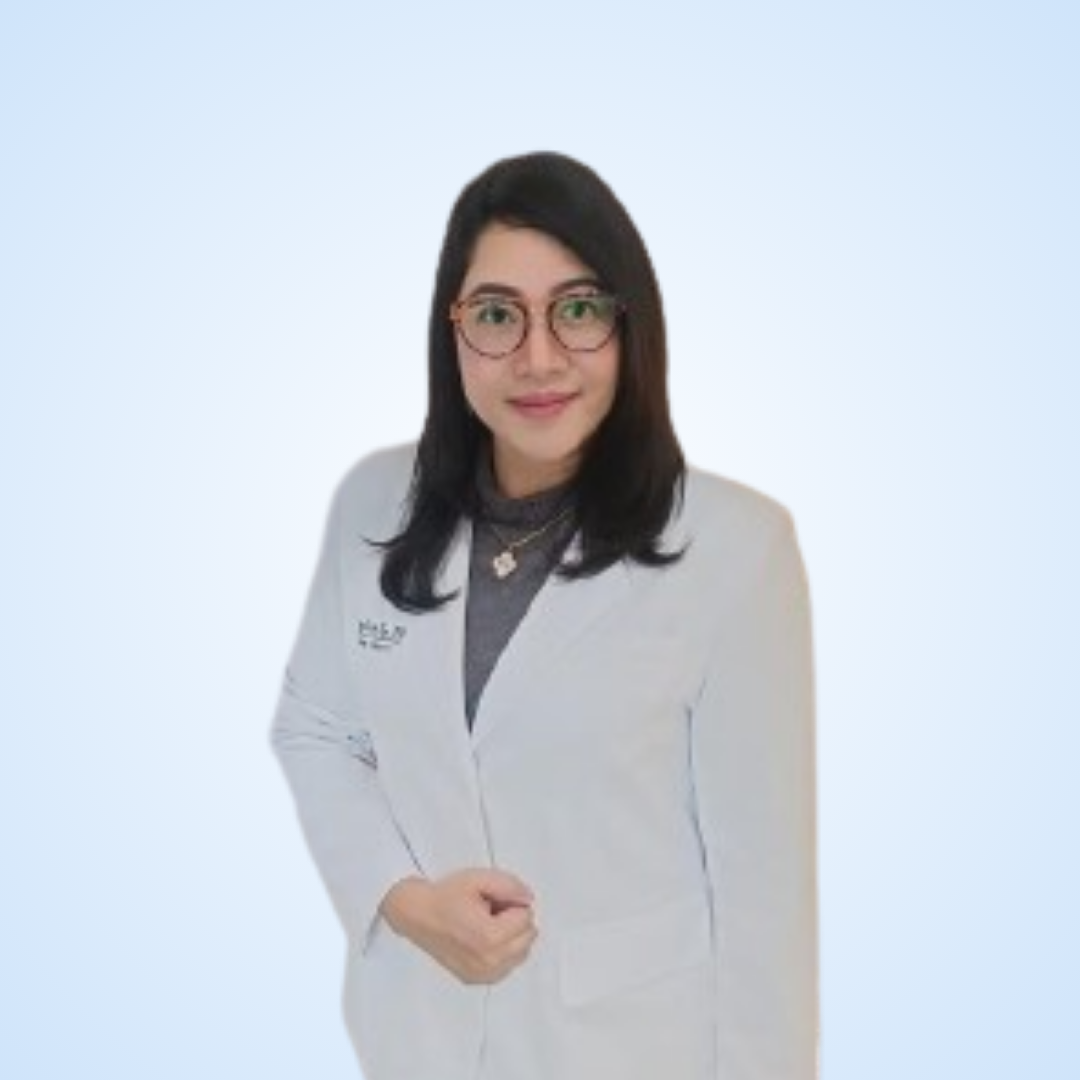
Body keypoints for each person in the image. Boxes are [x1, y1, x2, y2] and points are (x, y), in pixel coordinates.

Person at [270, 151, 818, 1080]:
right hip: (416, 1043)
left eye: (578, 309)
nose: (538, 357)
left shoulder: (739, 548)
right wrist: (408, 903)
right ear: (452, 331)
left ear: (629, 324)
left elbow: (765, 895)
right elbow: (316, 731)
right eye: (496, 314)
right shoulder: (373, 503)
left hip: (632, 1052)